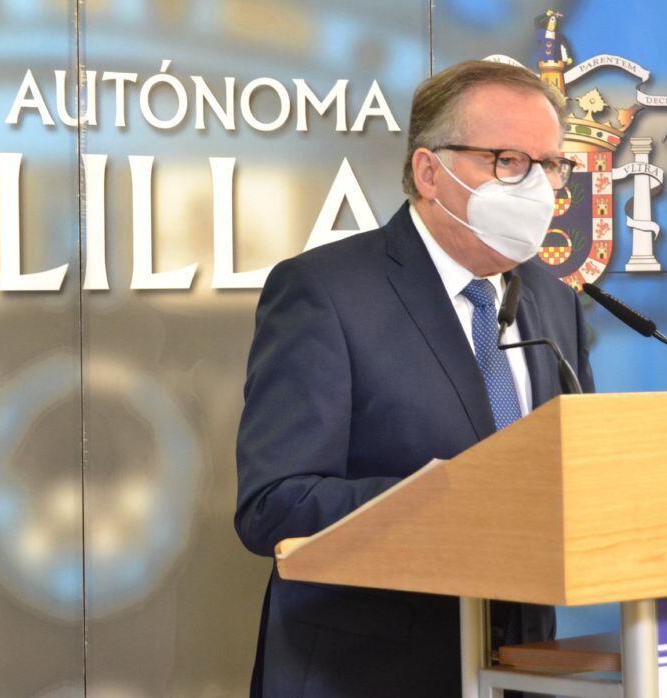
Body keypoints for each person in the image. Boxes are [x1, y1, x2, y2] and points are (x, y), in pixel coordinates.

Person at [235, 60, 595, 697]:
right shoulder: (325, 291)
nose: (539, 187)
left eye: (550, 165)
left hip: (524, 667)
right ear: (431, 171)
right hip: (370, 673)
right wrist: (455, 503)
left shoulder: (553, 300)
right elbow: (274, 505)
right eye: (509, 160)